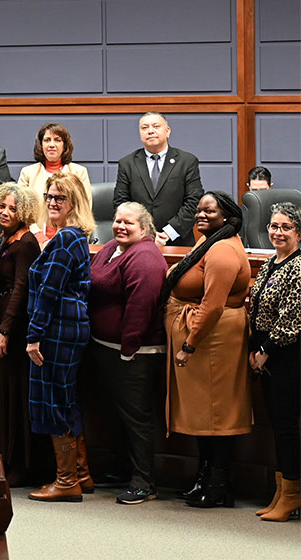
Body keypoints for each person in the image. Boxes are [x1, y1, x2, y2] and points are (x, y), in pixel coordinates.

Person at [161, 191, 251, 509]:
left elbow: (212, 307)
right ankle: (204, 475)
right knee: (205, 414)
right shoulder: (209, 241)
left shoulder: (223, 251)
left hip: (215, 340)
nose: (201, 215)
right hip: (207, 338)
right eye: (199, 210)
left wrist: (189, 343)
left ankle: (218, 483)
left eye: (209, 211)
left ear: (226, 216)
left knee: (219, 414)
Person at [89, 202, 168, 504]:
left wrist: (128, 349)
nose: (120, 226)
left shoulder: (145, 257)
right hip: (106, 348)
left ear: (145, 229)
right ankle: (121, 469)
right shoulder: (113, 247)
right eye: (118, 220)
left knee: (137, 418)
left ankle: (143, 482)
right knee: (115, 415)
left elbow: (141, 307)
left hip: (135, 353)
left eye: (129, 223)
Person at [26, 172, 95, 503]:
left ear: (74, 203)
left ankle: (66, 480)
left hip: (57, 330)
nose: (52, 203)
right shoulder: (75, 236)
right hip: (70, 328)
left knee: (53, 399)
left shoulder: (67, 238)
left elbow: (49, 291)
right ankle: (81, 473)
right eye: (49, 197)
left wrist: (33, 336)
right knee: (66, 397)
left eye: (60, 198)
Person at [249, 202, 301, 521]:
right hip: (266, 355)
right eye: (273, 226)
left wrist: (266, 348)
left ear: (298, 232)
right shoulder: (270, 262)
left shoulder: (299, 266)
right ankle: (281, 491)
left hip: (287, 355)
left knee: (286, 427)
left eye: (285, 227)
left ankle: (292, 493)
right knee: (276, 425)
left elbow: (293, 317)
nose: (277, 232)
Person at [0, 183, 41, 485]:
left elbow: (21, 288)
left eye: (13, 208)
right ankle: (5, 460)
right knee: (3, 394)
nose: (5, 212)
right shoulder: (4, 238)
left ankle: (21, 464)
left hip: (16, 328)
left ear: (24, 212)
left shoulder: (27, 242)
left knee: (16, 395)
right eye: (2, 206)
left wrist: (5, 330)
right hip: (0, 319)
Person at [113, 112, 203, 247]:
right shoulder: (127, 163)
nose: (150, 131)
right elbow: (121, 202)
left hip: (178, 241)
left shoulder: (187, 161)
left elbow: (194, 201)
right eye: (144, 128)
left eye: (156, 126)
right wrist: (146, 235)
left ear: (168, 131)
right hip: (137, 242)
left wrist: (168, 233)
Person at [18, 123, 92, 242]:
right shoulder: (28, 173)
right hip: (34, 239)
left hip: (70, 238)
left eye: (57, 140)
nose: (52, 145)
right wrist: (37, 235)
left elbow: (84, 209)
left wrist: (65, 236)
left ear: (65, 145)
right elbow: (22, 211)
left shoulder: (79, 172)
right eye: (47, 140)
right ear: (41, 145)